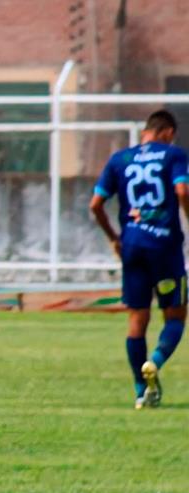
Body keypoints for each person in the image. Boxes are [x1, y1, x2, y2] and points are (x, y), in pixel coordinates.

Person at [90, 109, 189, 409]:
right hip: (164, 246)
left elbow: (95, 204)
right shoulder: (174, 155)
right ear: (168, 132)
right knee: (176, 314)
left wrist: (114, 237)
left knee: (137, 320)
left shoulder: (119, 159)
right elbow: (182, 190)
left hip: (131, 245)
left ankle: (140, 391)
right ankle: (155, 362)